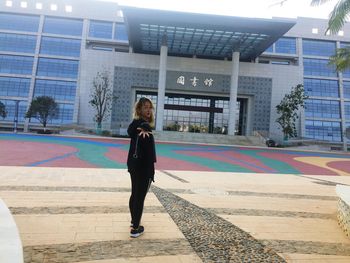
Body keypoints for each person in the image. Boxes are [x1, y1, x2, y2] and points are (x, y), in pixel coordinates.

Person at [127, 97, 156, 238]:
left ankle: (134, 222)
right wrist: (151, 170)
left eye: (150, 107)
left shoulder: (135, 124)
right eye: (145, 107)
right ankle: (136, 228)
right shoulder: (145, 126)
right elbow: (149, 152)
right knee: (140, 196)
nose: (149, 110)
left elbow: (130, 131)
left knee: (135, 194)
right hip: (143, 167)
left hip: (133, 164)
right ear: (139, 109)